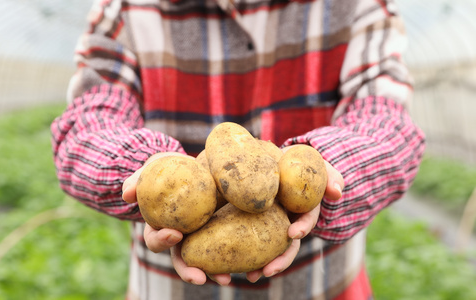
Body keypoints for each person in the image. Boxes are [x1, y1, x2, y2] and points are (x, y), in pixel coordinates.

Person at [51, 0, 425, 298]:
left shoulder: (357, 5)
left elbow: (390, 125)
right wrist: (147, 167)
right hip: (168, 289)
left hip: (322, 286)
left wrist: (325, 172)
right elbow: (86, 127)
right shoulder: (126, 9)